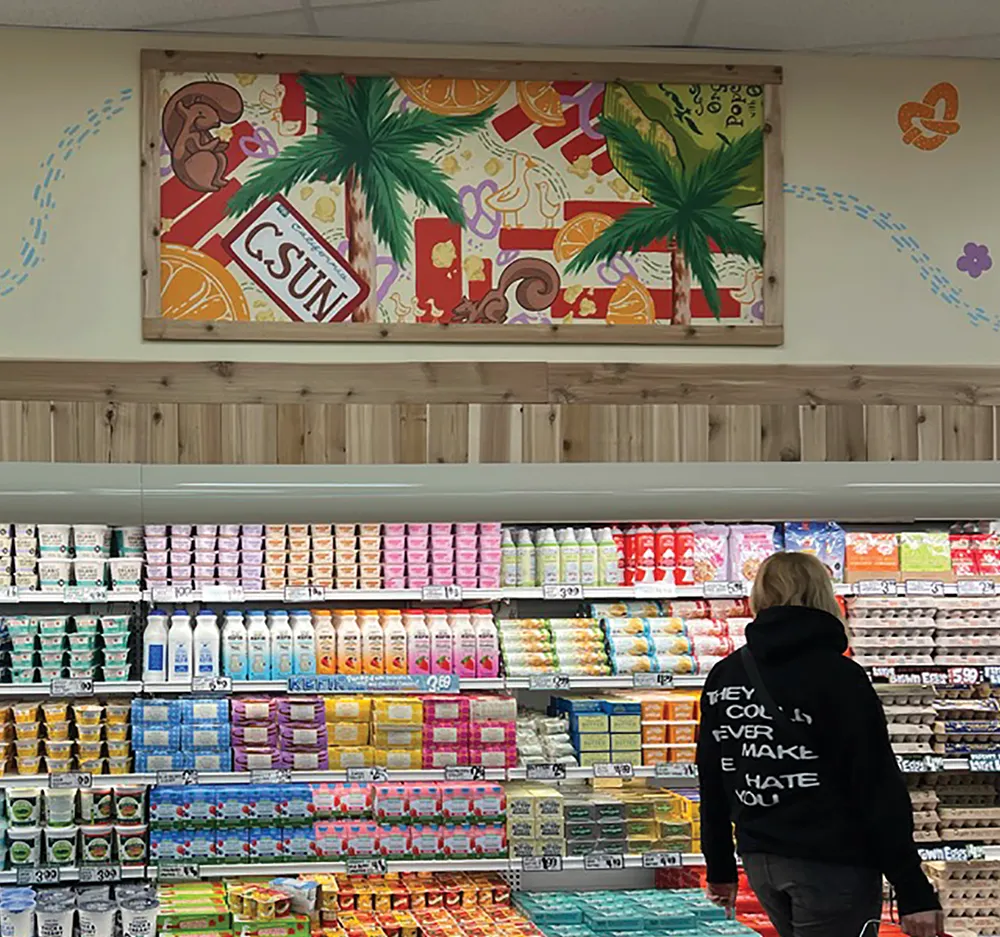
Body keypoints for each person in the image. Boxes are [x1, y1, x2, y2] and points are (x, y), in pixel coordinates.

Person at [696, 551, 943, 937]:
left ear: (759, 596)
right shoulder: (840, 677)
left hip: (761, 860)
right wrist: (913, 889)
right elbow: (875, 785)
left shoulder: (726, 675)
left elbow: (712, 780)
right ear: (822, 596)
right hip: (831, 861)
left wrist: (721, 868)